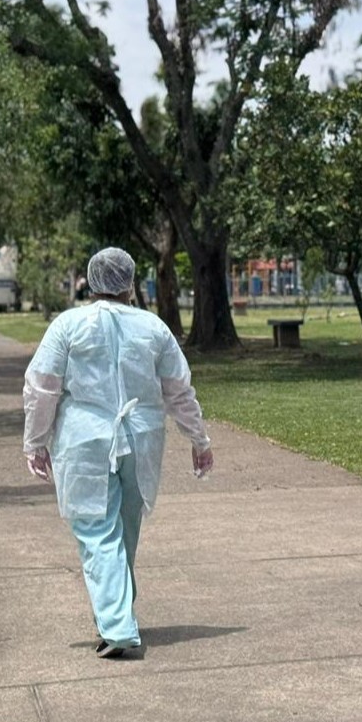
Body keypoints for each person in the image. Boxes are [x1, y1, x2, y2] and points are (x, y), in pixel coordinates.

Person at [22, 247, 213, 659]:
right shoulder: (153, 328)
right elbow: (178, 390)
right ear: (129, 283)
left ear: (92, 283)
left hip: (85, 440)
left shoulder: (68, 325)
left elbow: (42, 387)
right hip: (140, 438)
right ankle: (117, 614)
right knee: (124, 531)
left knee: (96, 531)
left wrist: (35, 440)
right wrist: (198, 438)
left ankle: (117, 625)